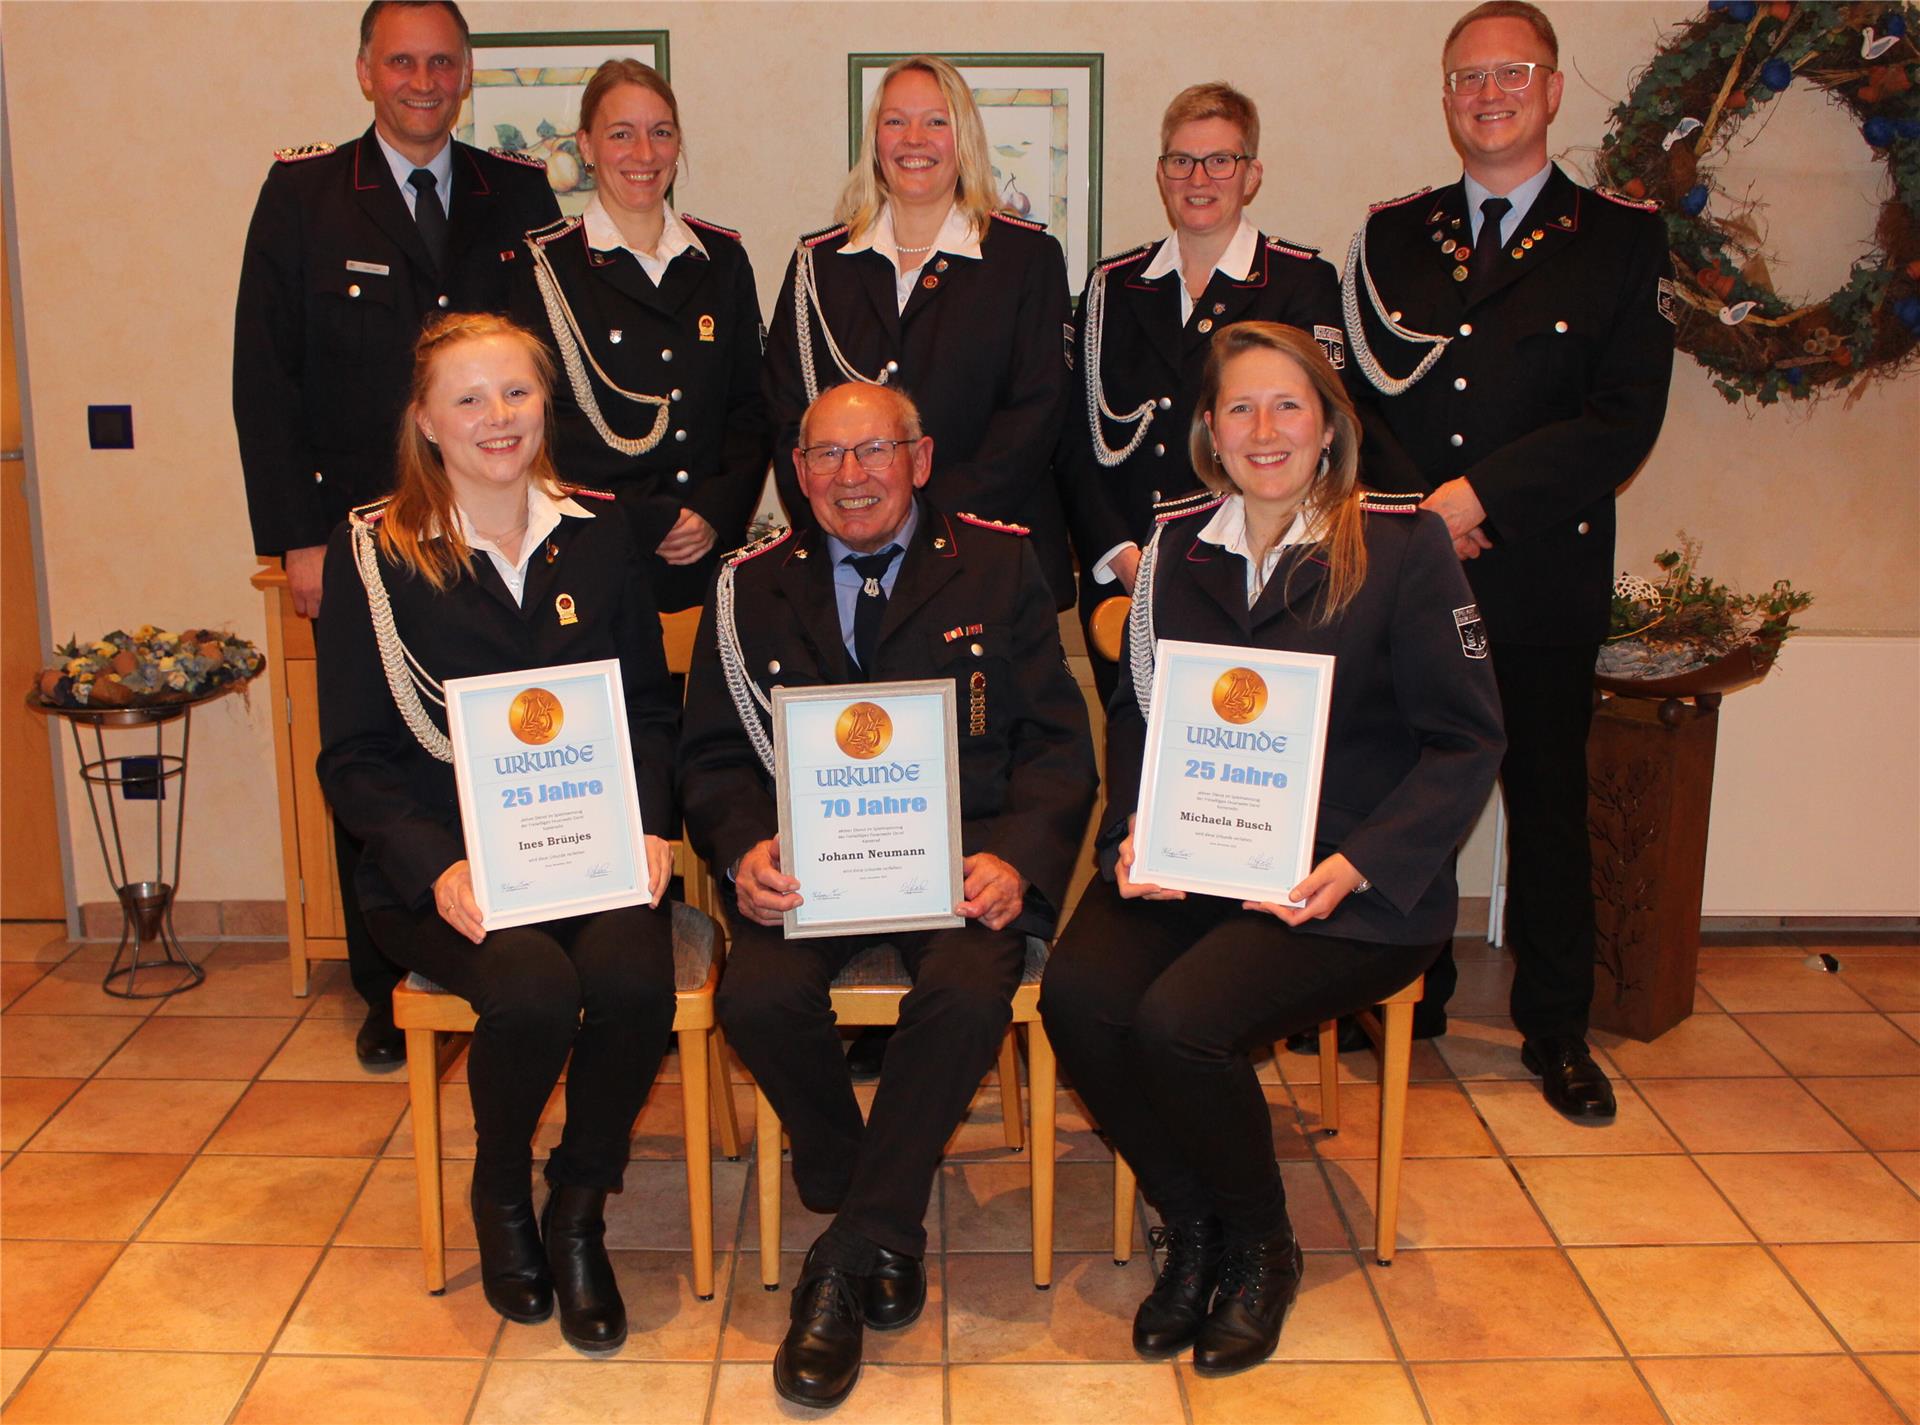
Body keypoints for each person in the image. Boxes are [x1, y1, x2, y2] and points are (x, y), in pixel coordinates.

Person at [1041, 321, 1504, 1375]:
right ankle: (1194, 1219)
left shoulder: (1401, 546)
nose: (1264, 429)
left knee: (1181, 1024)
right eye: (1239, 407)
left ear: (1330, 424)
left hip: (1348, 879)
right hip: (1198, 858)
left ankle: (1261, 1250)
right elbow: (1141, 714)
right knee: (1078, 995)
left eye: (1288, 405)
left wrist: (1365, 862)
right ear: (1208, 431)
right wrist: (1131, 837)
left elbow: (1468, 738)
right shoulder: (1171, 553)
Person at [679, 382, 1096, 1408]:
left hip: (964, 870)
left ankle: (842, 1257)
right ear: (799, 469)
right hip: (812, 871)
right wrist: (743, 856)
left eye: (874, 451)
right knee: (757, 1000)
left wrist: (1020, 861)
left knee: (962, 996)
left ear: (920, 456)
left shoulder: (999, 564)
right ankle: (873, 1202)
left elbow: (1057, 746)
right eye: (825, 456)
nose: (850, 476)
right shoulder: (746, 586)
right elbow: (712, 762)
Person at [315, 312, 680, 1354]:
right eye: (468, 398)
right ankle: (501, 1185)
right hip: (443, 869)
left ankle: (578, 1207)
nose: (497, 417)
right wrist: (437, 869)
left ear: (545, 403)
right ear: (425, 419)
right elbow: (352, 755)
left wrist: (650, 829)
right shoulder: (376, 553)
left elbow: (648, 711)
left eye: (516, 392)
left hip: (591, 849)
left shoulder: (600, 532)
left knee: (630, 980)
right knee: (530, 988)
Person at [1342, 0, 1675, 1119]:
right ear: (1446, 101)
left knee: (1545, 802)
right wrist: (1423, 513)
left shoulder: (1621, 239)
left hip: (1541, 568)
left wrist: (1481, 499)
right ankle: (1406, 990)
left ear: (1552, 89)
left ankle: (1556, 1029)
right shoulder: (1394, 236)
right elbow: (1363, 401)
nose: (1489, 94)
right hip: (1412, 574)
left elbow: (1622, 416)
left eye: (1511, 74)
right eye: (1468, 79)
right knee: (1402, 789)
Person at [233, 0, 561, 1065]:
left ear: (467, 76)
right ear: (367, 72)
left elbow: (547, 367)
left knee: (494, 735)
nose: (424, 79)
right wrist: (299, 537)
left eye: (443, 63)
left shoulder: (518, 191)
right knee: (371, 751)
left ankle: (513, 935)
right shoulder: (306, 195)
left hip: (498, 525)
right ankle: (388, 982)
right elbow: (265, 377)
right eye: (403, 61)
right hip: (363, 537)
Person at [1063, 82, 1345, 700]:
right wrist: (1120, 556)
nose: (1199, 177)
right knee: (1133, 763)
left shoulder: (1301, 283)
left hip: (1256, 574)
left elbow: (1322, 439)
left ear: (1252, 175)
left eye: (1221, 161)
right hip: (1128, 578)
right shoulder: (1111, 287)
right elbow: (1074, 437)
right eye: (1181, 161)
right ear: (1162, 175)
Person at [762, 54, 1076, 606]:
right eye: (895, 121)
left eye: (936, 121)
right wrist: (855, 521)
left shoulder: (1027, 258)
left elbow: (1036, 414)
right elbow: (789, 412)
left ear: (965, 139)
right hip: (849, 561)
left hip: (989, 558)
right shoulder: (819, 263)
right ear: (875, 139)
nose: (914, 139)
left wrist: (920, 527)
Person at [512, 59, 771, 613]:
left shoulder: (721, 260)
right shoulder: (545, 269)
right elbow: (549, 425)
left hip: (712, 562)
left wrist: (715, 511)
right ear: (585, 145)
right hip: (598, 561)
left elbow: (751, 406)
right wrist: (651, 518)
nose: (645, 154)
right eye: (621, 134)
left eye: (661, 133)